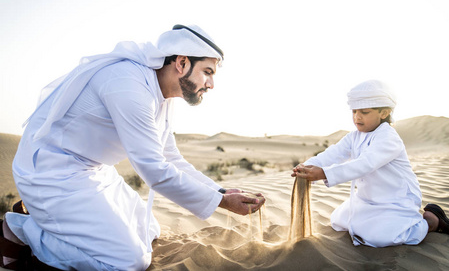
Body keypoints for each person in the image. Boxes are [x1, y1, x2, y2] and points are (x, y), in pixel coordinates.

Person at [0, 24, 265, 270]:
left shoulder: (162, 95)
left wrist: (219, 190)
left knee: (149, 231)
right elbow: (154, 170)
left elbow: (170, 157)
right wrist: (222, 202)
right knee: (129, 261)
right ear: (182, 63)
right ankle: (23, 229)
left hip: (93, 171)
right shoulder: (128, 85)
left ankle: (53, 222)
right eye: (207, 72)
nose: (211, 84)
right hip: (53, 173)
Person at [291, 79, 449, 247]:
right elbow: (332, 154)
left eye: (364, 112)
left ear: (384, 113)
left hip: (395, 199)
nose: (357, 117)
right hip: (367, 199)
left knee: (379, 237)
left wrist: (323, 173)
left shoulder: (389, 138)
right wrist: (305, 166)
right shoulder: (354, 137)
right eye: (354, 111)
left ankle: (430, 222)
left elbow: (365, 164)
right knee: (339, 220)